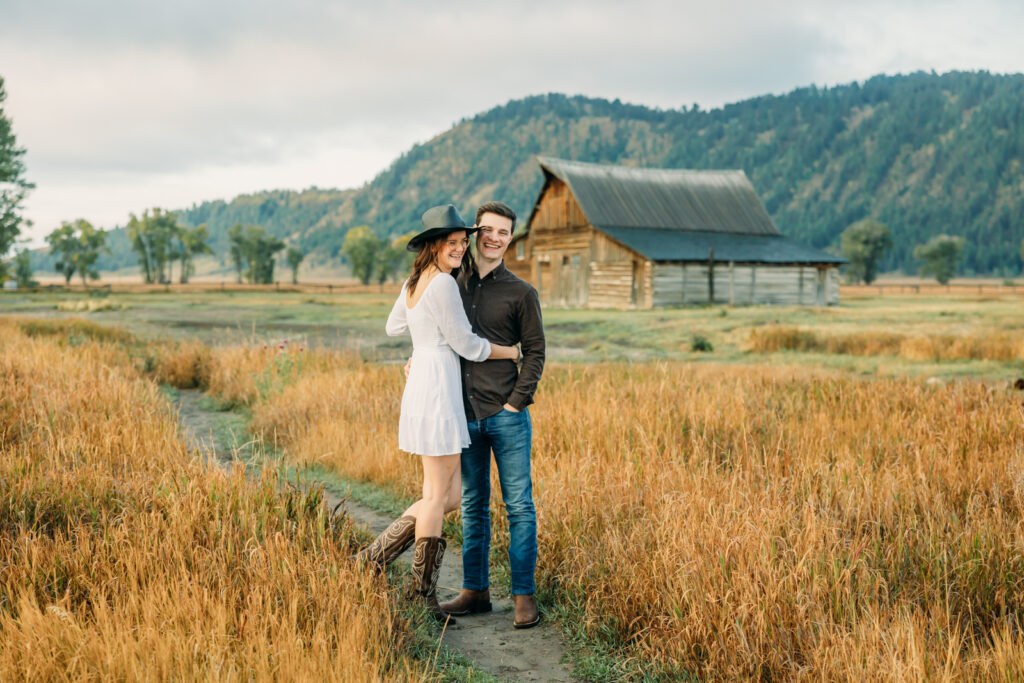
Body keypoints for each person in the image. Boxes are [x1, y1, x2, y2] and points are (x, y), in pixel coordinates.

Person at [355, 204, 520, 624]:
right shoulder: (443, 283)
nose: (461, 248)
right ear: (433, 245)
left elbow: (396, 325)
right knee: (436, 497)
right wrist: (510, 351)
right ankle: (421, 595)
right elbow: (468, 344)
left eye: (464, 242)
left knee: (446, 496)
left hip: (427, 385)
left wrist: (422, 344)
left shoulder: (416, 281)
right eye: (453, 242)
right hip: (437, 391)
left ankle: (372, 557)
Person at [439, 201, 545, 629]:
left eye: (504, 232)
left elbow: (535, 353)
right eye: (488, 229)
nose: (495, 237)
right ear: (475, 232)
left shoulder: (521, 293)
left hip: (506, 416)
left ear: (510, 239)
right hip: (462, 416)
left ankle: (523, 596)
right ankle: (475, 591)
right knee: (472, 505)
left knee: (519, 506)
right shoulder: (449, 285)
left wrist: (515, 403)